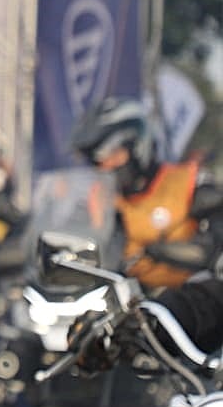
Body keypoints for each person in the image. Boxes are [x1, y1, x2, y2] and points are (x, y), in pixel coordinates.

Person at [70, 97, 223, 290]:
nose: (105, 166)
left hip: (189, 302)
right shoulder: (99, 198)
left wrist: (160, 251)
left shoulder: (187, 182)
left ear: (137, 145)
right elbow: (79, 243)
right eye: (98, 160)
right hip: (123, 305)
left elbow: (213, 247)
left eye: (113, 155)